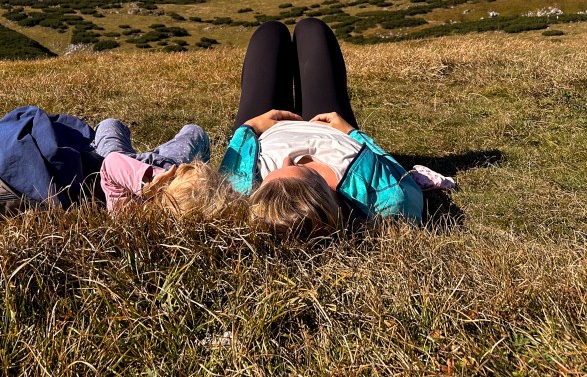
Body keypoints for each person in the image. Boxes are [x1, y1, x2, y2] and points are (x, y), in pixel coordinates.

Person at [219, 18, 425, 237]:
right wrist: (351, 132)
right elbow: (405, 184)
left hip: (265, 130)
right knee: (312, 29)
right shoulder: (383, 199)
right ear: (329, 195)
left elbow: (233, 164)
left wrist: (251, 126)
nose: (288, 159)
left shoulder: (240, 192)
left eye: (276, 172)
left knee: (270, 32)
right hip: (329, 127)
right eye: (306, 169)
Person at [93, 118, 241, 219]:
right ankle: (162, 159)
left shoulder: (128, 215)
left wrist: (145, 186)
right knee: (195, 132)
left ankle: (90, 150)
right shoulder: (179, 193)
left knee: (110, 124)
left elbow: (111, 162)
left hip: (127, 164)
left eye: (185, 170)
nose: (183, 166)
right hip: (169, 165)